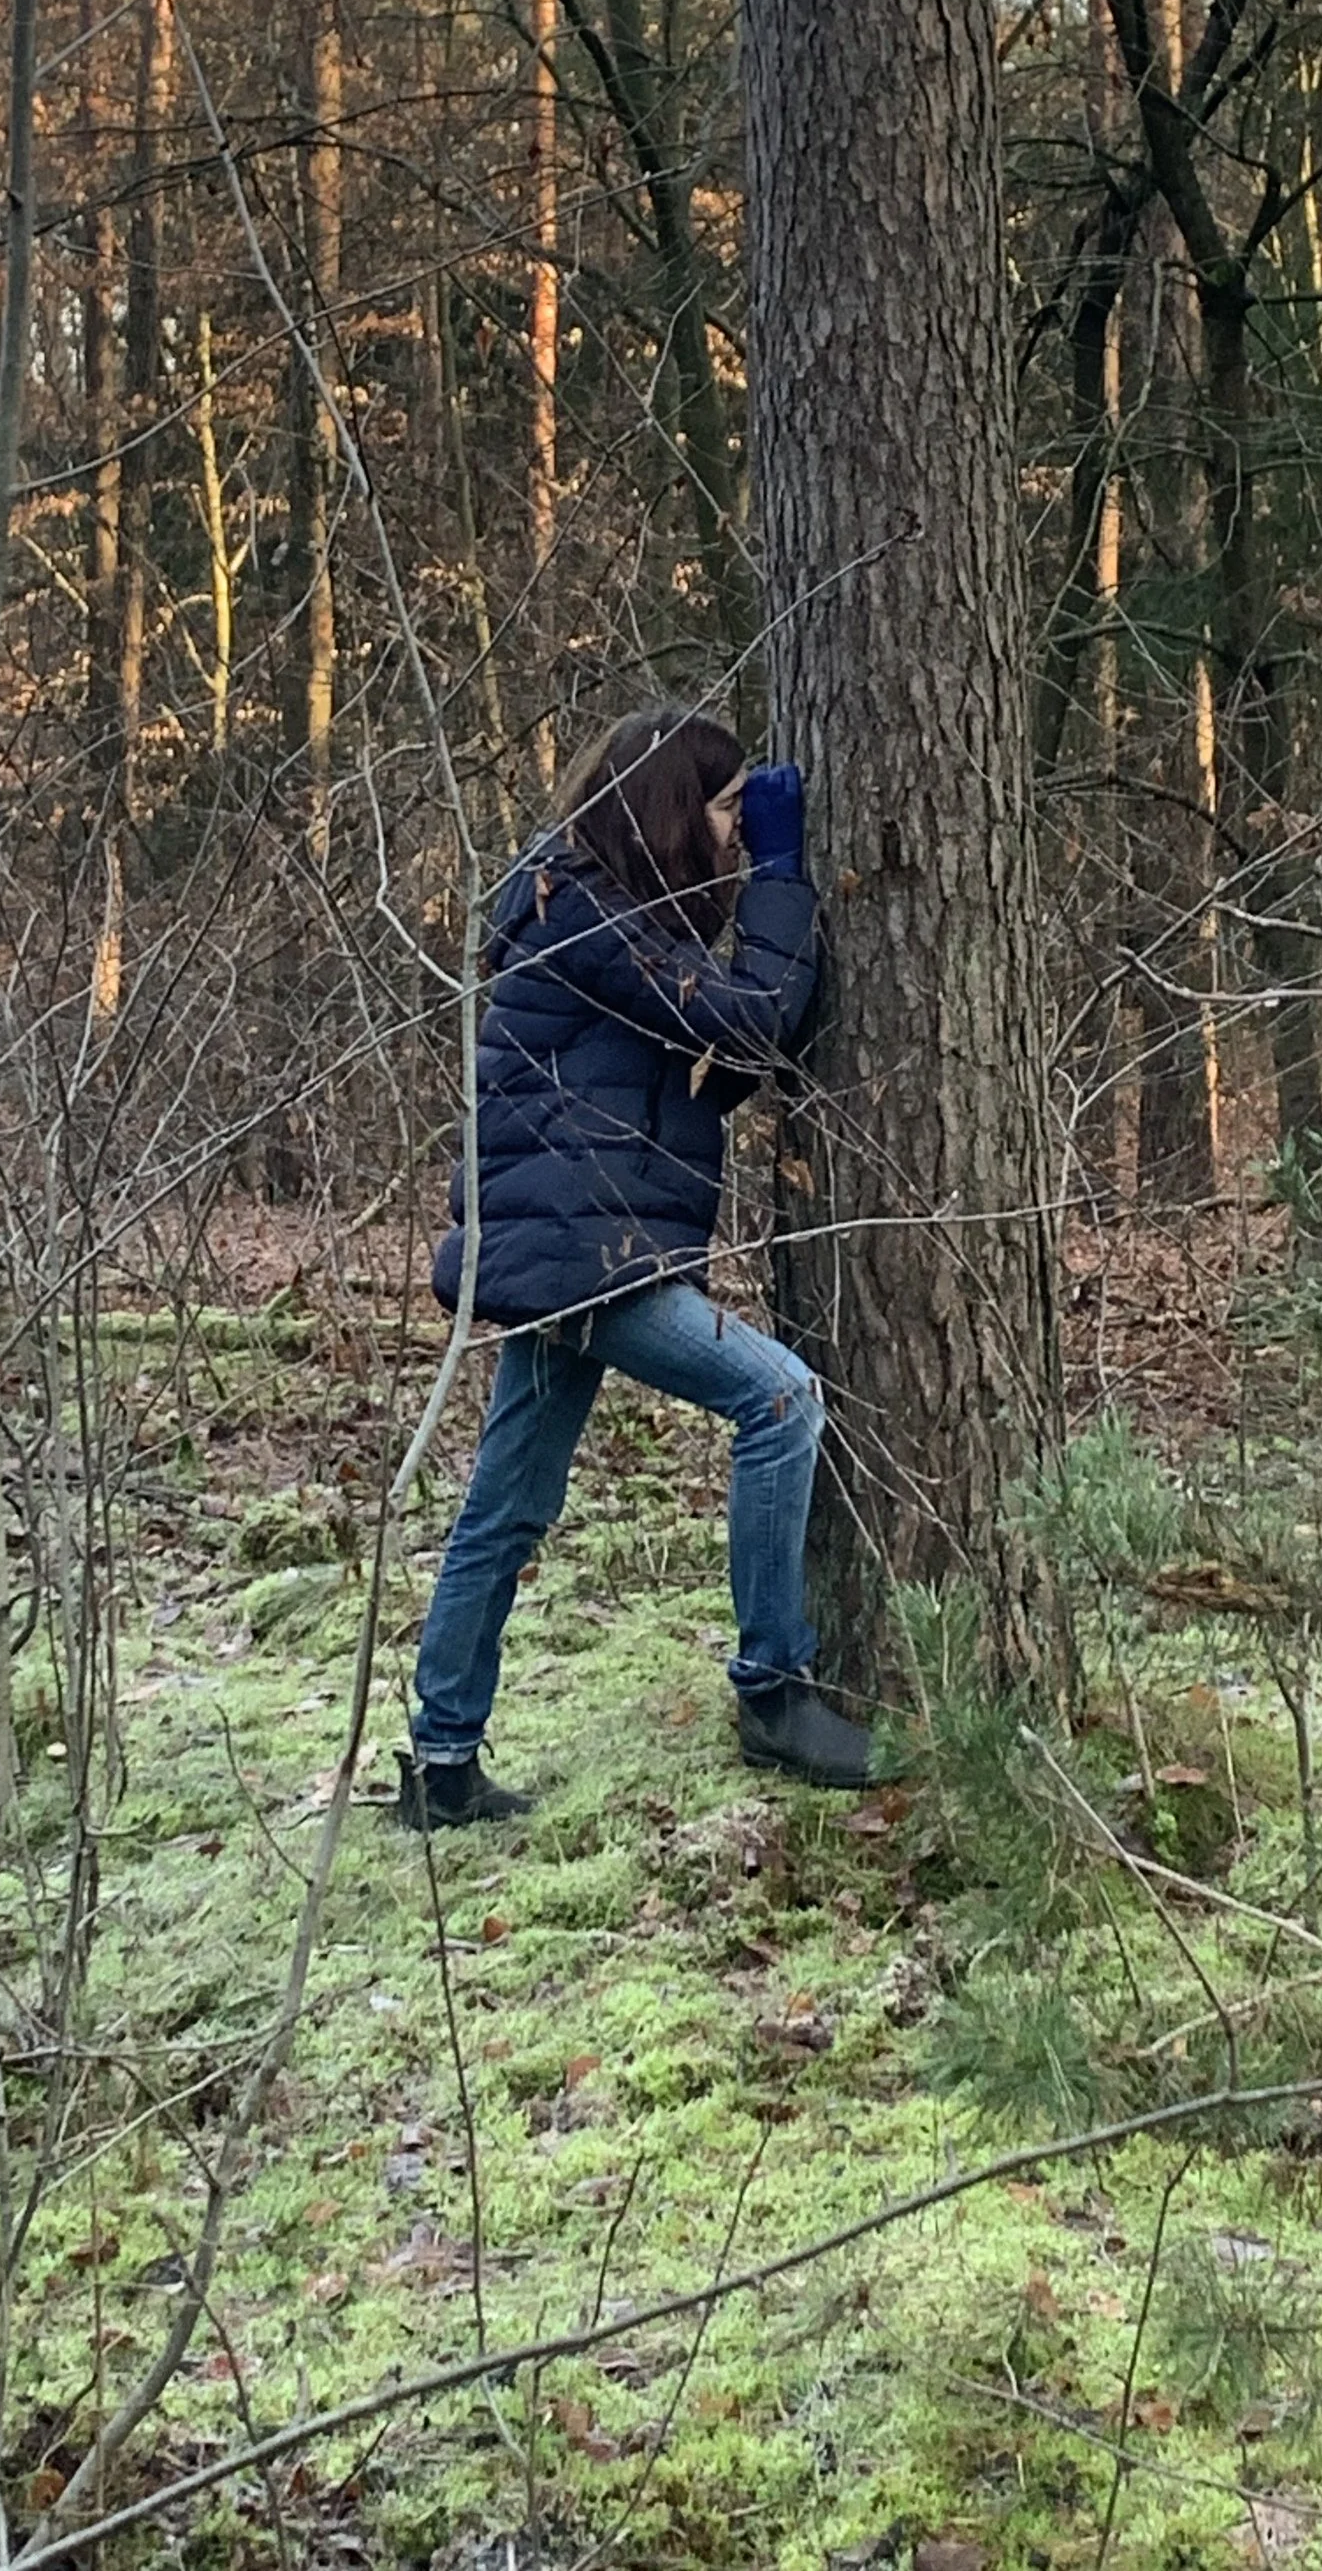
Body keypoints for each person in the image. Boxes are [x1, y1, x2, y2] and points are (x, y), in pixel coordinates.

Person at [400, 705, 872, 1829]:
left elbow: (698, 1059)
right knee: (780, 1398)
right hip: (586, 1256)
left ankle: (442, 1761)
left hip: (571, 1241)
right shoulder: (584, 919)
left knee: (505, 1508)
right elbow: (750, 1018)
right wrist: (786, 876)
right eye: (719, 813)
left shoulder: (578, 908)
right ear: (666, 811)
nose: (731, 837)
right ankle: (773, 1690)